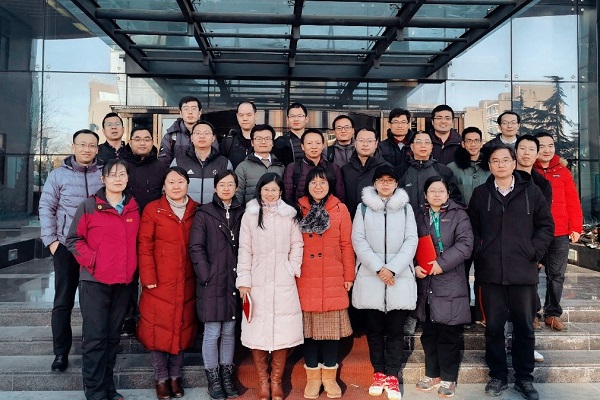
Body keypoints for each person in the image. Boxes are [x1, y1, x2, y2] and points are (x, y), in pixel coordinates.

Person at [468, 145, 554, 400]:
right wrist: (481, 250)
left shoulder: (532, 192)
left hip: (522, 272)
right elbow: (472, 228)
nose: (501, 165)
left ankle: (524, 378)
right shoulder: (480, 194)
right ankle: (498, 375)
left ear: (514, 163)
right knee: (494, 328)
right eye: (495, 161)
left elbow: (546, 226)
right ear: (490, 166)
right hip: (491, 272)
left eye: (505, 160)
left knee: (524, 328)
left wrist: (533, 251)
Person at [66, 159, 140, 400]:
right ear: (103, 178)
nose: (118, 178)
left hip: (123, 283)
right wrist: (94, 261)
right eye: (113, 174)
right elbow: (73, 240)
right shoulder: (89, 206)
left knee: (111, 339)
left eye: (122, 174)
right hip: (94, 283)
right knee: (95, 339)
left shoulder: (133, 208)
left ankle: (108, 388)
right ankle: (95, 392)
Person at [39, 129, 104, 372]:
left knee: (94, 303)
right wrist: (52, 242)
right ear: (73, 146)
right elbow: (46, 207)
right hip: (66, 247)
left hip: (96, 249)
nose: (87, 149)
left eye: (92, 145)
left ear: (97, 148)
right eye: (82, 144)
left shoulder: (103, 174)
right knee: (63, 301)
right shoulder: (58, 175)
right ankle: (60, 352)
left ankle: (93, 349)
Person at [351, 165, 418, 400]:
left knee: (396, 331)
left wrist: (393, 269)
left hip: (398, 279)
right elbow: (358, 240)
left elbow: (411, 240)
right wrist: (379, 268)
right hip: (372, 277)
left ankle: (392, 376)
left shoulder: (406, 208)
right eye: (381, 180)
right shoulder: (363, 208)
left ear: (396, 184)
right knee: (375, 331)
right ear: (375, 183)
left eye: (390, 180)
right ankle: (378, 372)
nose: (386, 184)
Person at [236, 173, 304, 400]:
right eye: (266, 189)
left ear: (281, 192)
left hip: (283, 278)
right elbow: (244, 249)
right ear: (260, 191)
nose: (270, 193)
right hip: (257, 279)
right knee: (257, 330)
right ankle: (263, 382)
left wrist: (292, 267)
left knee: (283, 330)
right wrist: (244, 280)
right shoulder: (250, 215)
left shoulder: (289, 215)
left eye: (274, 189)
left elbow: (297, 243)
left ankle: (276, 381)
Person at [137, 167, 199, 400]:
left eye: (180, 181)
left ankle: (175, 377)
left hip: (188, 280)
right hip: (159, 282)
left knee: (182, 327)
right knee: (157, 329)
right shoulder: (153, 209)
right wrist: (148, 278)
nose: (176, 186)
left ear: (187, 184)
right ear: (164, 185)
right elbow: (145, 245)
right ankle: (161, 378)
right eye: (171, 182)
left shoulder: (196, 210)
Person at [297, 167, 355, 399]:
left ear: (330, 185)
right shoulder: (298, 209)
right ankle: (313, 378)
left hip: (333, 275)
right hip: (306, 275)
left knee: (331, 331)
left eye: (322, 182)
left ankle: (329, 378)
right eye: (313, 182)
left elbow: (346, 245)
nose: (318, 186)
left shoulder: (340, 209)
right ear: (307, 186)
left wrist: (349, 276)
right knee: (309, 331)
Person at [414, 176, 473, 398]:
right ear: (425, 195)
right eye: (432, 191)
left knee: (448, 332)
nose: (437, 194)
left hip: (450, 280)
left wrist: (442, 263)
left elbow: (465, 245)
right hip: (425, 280)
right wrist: (414, 266)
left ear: (448, 194)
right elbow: (409, 242)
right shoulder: (418, 215)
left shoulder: (459, 215)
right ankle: (432, 373)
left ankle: (448, 377)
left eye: (441, 190)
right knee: (428, 332)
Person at [189, 170, 245, 400]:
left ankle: (226, 375)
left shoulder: (243, 212)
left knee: (229, 330)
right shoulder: (204, 213)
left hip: (235, 279)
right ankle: (213, 379)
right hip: (212, 280)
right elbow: (196, 247)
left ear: (236, 187)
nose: (226, 188)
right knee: (212, 331)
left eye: (230, 184)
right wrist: (206, 274)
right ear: (215, 187)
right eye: (222, 184)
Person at [120, 126, 168, 336]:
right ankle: (128, 318)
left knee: (153, 275)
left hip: (154, 231)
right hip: (126, 230)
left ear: (152, 142)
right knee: (128, 277)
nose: (142, 142)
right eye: (137, 139)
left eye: (146, 139)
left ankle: (152, 317)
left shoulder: (161, 166)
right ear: (130, 142)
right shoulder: (121, 166)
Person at [534, 132, 583, 332]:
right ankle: (532, 313)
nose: (546, 150)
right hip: (535, 232)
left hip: (560, 232)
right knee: (530, 273)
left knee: (556, 275)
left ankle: (552, 313)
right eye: (541, 146)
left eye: (550, 145)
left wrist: (576, 227)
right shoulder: (529, 170)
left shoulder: (563, 172)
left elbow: (572, 200)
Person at [447, 126, 490, 326]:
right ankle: (462, 313)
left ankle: (482, 314)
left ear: (481, 143)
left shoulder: (490, 165)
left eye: (476, 140)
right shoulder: (452, 168)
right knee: (460, 273)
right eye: (469, 140)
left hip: (486, 228)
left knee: (484, 272)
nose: (473, 144)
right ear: (463, 144)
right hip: (460, 228)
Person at [514, 134, 552, 363]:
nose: (526, 153)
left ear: (537, 154)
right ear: (515, 151)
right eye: (522, 148)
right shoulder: (504, 176)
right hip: (503, 250)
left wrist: (537, 253)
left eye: (531, 149)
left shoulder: (542, 184)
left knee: (527, 303)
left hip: (528, 252)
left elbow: (544, 223)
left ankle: (527, 346)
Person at [398, 131, 463, 212]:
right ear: (412, 146)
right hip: (407, 217)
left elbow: (454, 198)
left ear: (431, 146)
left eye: (427, 142)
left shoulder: (443, 171)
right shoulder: (401, 171)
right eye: (419, 142)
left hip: (436, 217)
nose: (423, 145)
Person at [171, 121, 232, 204]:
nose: (202, 136)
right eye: (198, 133)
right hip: (186, 211)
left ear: (213, 138)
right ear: (191, 138)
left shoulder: (224, 163)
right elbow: (169, 190)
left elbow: (231, 191)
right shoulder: (178, 162)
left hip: (214, 211)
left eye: (206, 133)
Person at [283, 129, 345, 204]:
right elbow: (287, 198)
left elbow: (340, 198)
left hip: (329, 210)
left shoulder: (334, 168)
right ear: (302, 146)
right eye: (309, 143)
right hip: (301, 210)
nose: (314, 147)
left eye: (318, 143)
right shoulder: (292, 168)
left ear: (323, 146)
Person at [341, 127, 391, 218]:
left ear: (376, 143)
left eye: (369, 141)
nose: (365, 144)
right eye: (361, 140)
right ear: (355, 143)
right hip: (350, 220)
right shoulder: (345, 169)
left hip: (378, 220)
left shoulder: (387, 168)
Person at [235, 124, 285, 204]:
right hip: (251, 211)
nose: (263, 142)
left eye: (267, 139)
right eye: (259, 139)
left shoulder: (280, 167)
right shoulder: (243, 167)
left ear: (272, 142)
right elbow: (237, 195)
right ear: (252, 142)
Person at [159, 96, 202, 165]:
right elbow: (163, 162)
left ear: (199, 113)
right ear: (181, 113)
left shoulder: (209, 134)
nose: (190, 112)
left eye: (194, 109)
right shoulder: (170, 137)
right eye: (186, 109)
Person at [220, 101, 257, 169]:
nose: (245, 119)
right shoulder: (228, 142)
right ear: (237, 116)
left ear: (255, 115)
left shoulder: (264, 140)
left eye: (249, 115)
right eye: (241, 115)